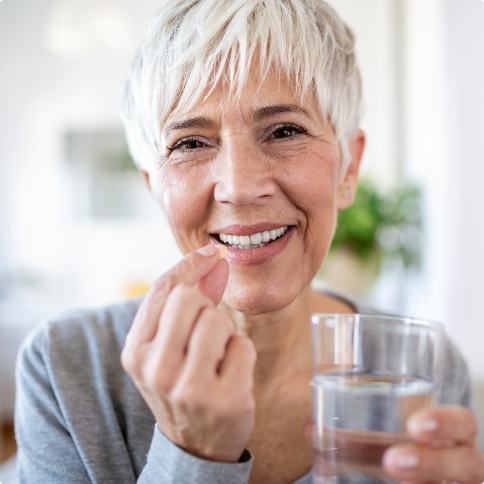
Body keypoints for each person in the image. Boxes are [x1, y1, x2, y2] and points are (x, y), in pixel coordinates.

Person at [15, 0, 484, 483]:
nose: (238, 186)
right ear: (155, 186)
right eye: (191, 143)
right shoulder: (65, 367)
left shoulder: (419, 365)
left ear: (348, 169)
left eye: (284, 131)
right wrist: (192, 454)